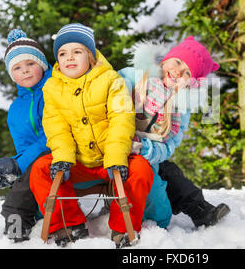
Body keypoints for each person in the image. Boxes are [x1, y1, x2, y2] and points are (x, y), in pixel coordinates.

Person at [28, 23, 154, 247]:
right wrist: (63, 158)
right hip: (77, 161)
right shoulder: (52, 89)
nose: (69, 58)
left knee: (141, 169)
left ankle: (122, 227)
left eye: (77, 51)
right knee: (40, 169)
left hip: (111, 158)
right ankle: (69, 224)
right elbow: (57, 128)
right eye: (62, 53)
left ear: (91, 55)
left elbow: (121, 119)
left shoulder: (112, 81)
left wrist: (116, 157)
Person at [118, 36, 230, 229]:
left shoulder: (180, 106)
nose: (178, 71)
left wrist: (144, 149)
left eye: (187, 72)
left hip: (147, 153)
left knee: (168, 173)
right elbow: (109, 92)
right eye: (177, 62)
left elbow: (169, 146)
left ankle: (198, 209)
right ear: (165, 59)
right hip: (115, 142)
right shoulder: (133, 76)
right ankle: (192, 207)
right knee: (165, 175)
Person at [0, 29, 52, 242]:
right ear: (11, 74)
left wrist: (18, 164)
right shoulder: (15, 110)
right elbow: (24, 148)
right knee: (21, 183)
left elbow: (53, 133)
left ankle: (18, 228)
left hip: (63, 151)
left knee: (27, 177)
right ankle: (18, 230)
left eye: (31, 64)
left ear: (41, 64)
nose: (25, 71)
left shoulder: (55, 88)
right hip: (36, 161)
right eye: (17, 67)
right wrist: (15, 169)